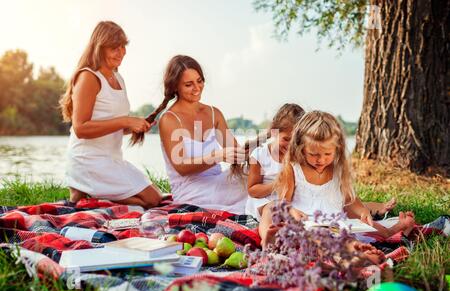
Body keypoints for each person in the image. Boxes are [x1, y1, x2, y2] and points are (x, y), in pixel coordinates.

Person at [259, 110, 415, 248]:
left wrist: (362, 211)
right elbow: (283, 203)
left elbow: (349, 200)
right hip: (304, 225)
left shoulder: (337, 169)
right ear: (300, 148)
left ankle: (390, 232)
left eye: (328, 154)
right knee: (270, 208)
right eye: (314, 155)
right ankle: (268, 240)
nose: (321, 160)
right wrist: (292, 211)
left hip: (334, 226)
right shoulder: (294, 168)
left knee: (361, 223)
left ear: (337, 150)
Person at [60, 21, 162, 208]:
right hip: (88, 161)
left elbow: (112, 128)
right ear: (99, 47)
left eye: (123, 47)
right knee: (151, 200)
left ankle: (86, 198)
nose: (121, 52)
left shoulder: (118, 78)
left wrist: (133, 127)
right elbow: (81, 128)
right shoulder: (89, 77)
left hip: (112, 160)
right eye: (114, 47)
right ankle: (85, 195)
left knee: (156, 197)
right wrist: (126, 120)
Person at [131, 55, 247, 213]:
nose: (197, 88)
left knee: (263, 178)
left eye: (199, 81)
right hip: (191, 192)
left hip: (218, 182)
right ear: (175, 87)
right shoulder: (169, 120)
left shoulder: (214, 113)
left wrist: (256, 152)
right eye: (188, 84)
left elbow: (236, 153)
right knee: (254, 195)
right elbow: (182, 167)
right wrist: (218, 155)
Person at [246, 104, 397, 221]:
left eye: (294, 140)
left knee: (338, 203)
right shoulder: (259, 155)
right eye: (286, 139)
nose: (290, 145)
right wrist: (277, 184)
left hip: (293, 199)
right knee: (272, 211)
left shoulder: (302, 158)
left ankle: (374, 209)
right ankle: (267, 238)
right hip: (268, 199)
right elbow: (252, 189)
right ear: (274, 132)